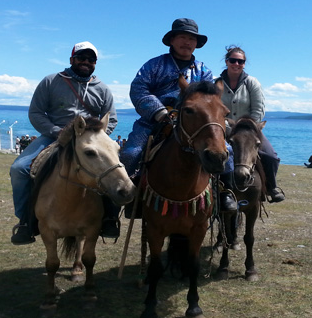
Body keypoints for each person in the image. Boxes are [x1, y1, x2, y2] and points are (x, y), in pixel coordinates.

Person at [119, 18, 236, 212]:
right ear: (172, 40)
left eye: (192, 39)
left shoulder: (204, 71)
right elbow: (138, 89)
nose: (187, 42)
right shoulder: (154, 65)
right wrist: (159, 112)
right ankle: (120, 202)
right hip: (154, 120)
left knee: (227, 151)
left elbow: (211, 99)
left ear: (196, 44)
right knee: (131, 153)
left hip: (194, 123)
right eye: (182, 37)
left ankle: (226, 193)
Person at [9, 41, 119, 245]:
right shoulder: (51, 81)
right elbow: (36, 112)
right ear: (72, 59)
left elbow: (110, 118)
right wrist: (56, 132)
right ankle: (25, 222)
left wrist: (96, 136)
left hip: (90, 139)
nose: (86, 62)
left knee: (114, 169)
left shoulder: (102, 89)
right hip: (54, 136)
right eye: (82, 58)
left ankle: (110, 218)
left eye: (91, 59)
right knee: (19, 168)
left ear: (95, 63)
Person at [215, 45, 285, 203]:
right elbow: (215, 110)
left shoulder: (252, 82)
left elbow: (258, 110)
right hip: (225, 129)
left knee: (271, 157)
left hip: (250, 131)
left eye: (241, 61)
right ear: (226, 61)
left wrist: (248, 129)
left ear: (244, 63)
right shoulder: (217, 84)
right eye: (233, 60)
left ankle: (272, 187)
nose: (237, 64)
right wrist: (226, 128)